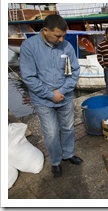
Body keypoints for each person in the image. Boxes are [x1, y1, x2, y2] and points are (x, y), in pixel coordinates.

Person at [20, 15, 83, 178]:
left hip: (65, 96)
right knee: (52, 133)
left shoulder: (67, 46)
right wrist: (49, 94)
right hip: (42, 100)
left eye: (63, 35)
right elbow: (29, 77)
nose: (61, 39)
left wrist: (61, 91)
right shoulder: (29, 46)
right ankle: (55, 161)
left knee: (68, 127)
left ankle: (68, 154)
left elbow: (74, 71)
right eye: (57, 36)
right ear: (45, 30)